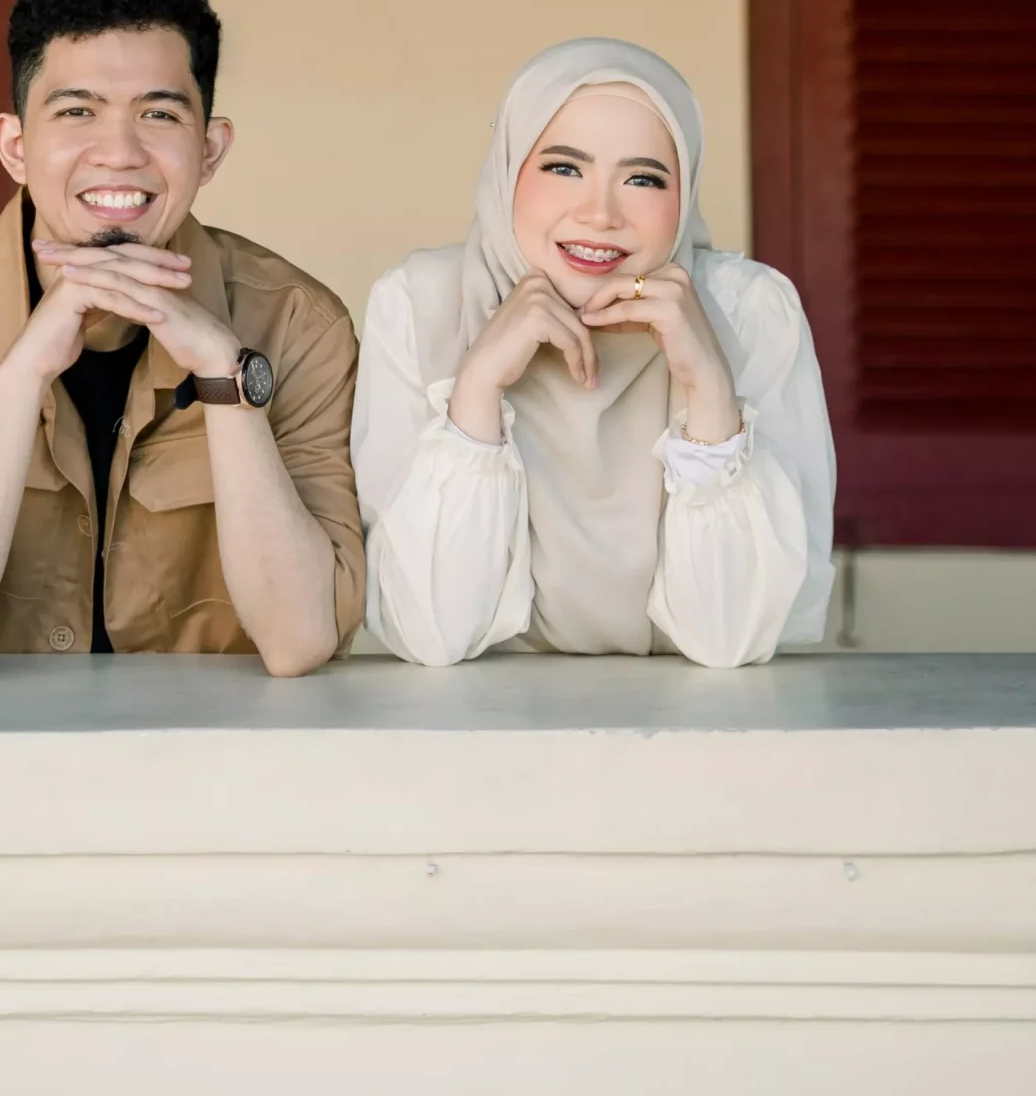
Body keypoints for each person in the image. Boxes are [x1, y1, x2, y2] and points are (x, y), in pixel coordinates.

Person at [0, 0, 364, 683]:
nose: (119, 153)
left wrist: (224, 374)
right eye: (77, 112)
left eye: (158, 113)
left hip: (215, 745)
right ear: (16, 146)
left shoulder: (299, 327)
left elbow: (299, 638)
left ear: (210, 149)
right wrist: (20, 378)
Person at [351, 38, 834, 667]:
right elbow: (430, 634)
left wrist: (710, 390)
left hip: (692, 721)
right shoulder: (418, 304)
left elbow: (730, 640)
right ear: (508, 170)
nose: (601, 214)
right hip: (480, 719)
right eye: (563, 168)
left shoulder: (750, 312)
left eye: (643, 179)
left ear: (685, 195)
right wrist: (477, 387)